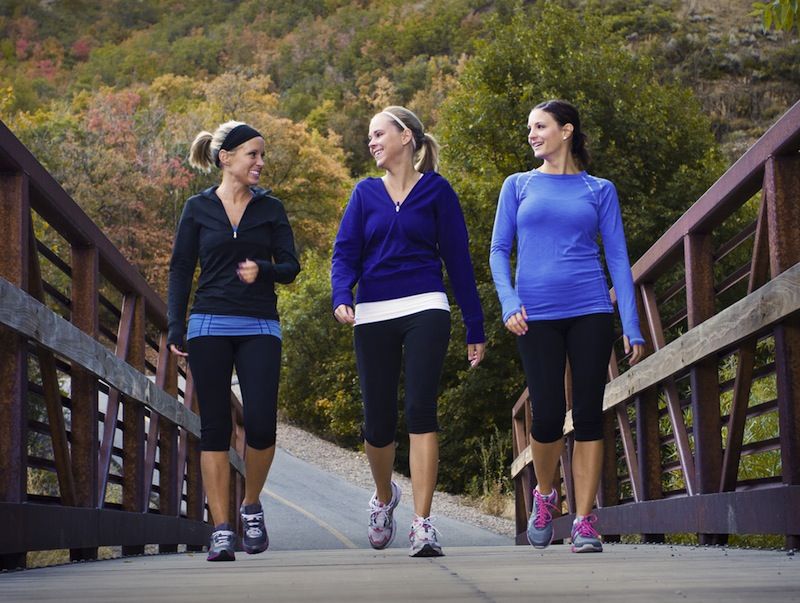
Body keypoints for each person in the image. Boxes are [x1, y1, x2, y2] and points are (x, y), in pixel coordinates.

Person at [489, 100, 645, 553]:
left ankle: (583, 521)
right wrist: (509, 301)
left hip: (590, 308)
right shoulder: (517, 186)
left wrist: (631, 325)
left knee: (591, 412)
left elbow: (617, 258)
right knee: (549, 413)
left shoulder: (599, 190)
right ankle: (544, 495)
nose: (532, 134)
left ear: (567, 131)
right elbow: (499, 250)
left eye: (541, 126)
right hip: (534, 314)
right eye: (530, 128)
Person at [331, 105, 486, 557]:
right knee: (377, 422)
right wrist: (342, 295)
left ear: (406, 137)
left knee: (421, 410)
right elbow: (345, 254)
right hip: (373, 311)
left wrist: (474, 325)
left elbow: (458, 262)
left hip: (426, 306)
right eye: (369, 136)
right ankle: (383, 497)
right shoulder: (364, 194)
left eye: (379, 133)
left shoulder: (437, 191)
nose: (372, 142)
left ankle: (423, 523)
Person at [167, 121, 300, 561]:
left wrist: (263, 267)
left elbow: (291, 266)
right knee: (215, 428)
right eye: (252, 155)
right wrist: (175, 325)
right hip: (208, 323)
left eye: (262, 156)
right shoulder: (197, 208)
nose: (260, 163)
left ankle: (251, 505)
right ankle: (221, 527)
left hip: (260, 323)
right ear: (226, 158)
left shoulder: (271, 209)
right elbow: (182, 268)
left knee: (262, 423)